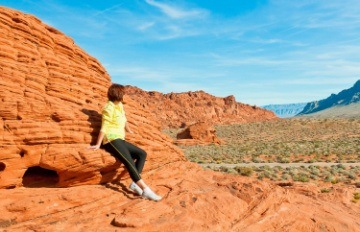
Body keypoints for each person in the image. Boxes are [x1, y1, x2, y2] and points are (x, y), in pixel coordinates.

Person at [89, 83, 162, 201]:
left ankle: (134, 184)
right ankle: (145, 190)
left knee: (142, 154)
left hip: (120, 139)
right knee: (129, 162)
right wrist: (98, 144)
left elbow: (124, 119)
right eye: (123, 93)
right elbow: (104, 127)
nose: (124, 95)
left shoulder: (120, 105)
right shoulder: (109, 107)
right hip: (111, 139)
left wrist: (129, 130)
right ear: (118, 93)